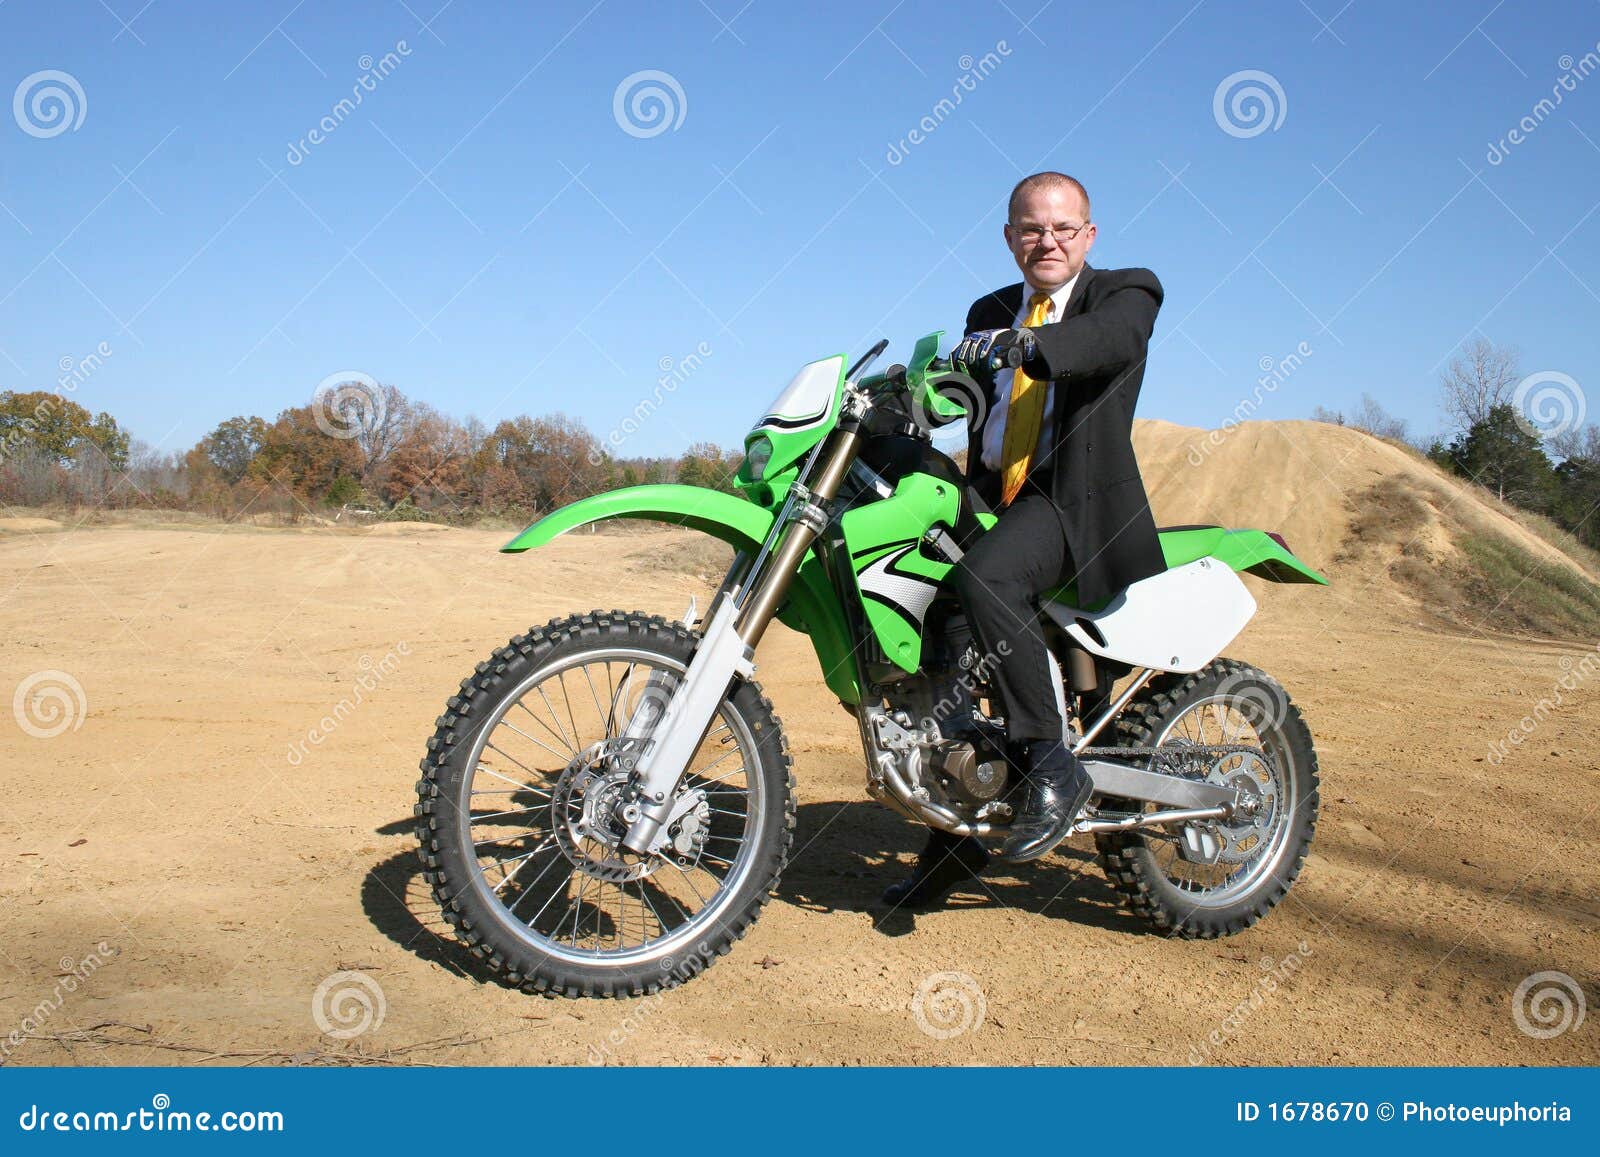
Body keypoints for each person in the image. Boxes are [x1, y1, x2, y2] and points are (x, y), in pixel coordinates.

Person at [883, 170, 1167, 909]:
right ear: (1010, 237)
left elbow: (1104, 342)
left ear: (1088, 235)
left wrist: (1025, 344)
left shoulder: (1125, 292)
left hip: (1072, 501)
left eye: (1063, 228)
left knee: (986, 578)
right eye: (1032, 229)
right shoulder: (988, 309)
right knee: (917, 592)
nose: (1048, 241)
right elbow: (960, 393)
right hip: (990, 495)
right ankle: (958, 826)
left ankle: (1050, 760)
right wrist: (902, 400)